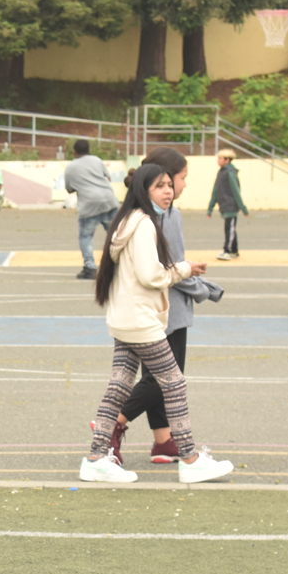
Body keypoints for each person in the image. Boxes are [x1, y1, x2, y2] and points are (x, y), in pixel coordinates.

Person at [79, 162, 232, 485]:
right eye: (160, 186)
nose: (169, 191)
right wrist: (184, 269)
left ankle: (96, 457)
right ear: (144, 191)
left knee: (119, 386)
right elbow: (152, 276)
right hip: (140, 321)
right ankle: (190, 459)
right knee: (174, 383)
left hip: (123, 318)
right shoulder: (145, 224)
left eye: (169, 185)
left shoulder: (125, 221)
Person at [117, 147, 196, 465]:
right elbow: (173, 267)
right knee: (166, 377)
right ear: (161, 180)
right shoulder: (165, 216)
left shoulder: (132, 213)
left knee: (155, 377)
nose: (183, 185)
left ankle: (163, 441)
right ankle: (113, 424)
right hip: (167, 307)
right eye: (181, 179)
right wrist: (200, 285)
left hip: (142, 308)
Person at [62, 138, 118, 279]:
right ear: (89, 150)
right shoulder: (96, 160)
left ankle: (90, 267)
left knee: (86, 236)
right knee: (115, 236)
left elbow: (69, 189)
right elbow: (108, 178)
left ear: (74, 152)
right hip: (108, 200)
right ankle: (120, 265)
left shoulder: (70, 168)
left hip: (89, 204)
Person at [208, 148, 247, 258]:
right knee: (230, 228)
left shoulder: (230, 173)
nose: (218, 160)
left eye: (220, 158)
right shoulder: (221, 172)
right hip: (224, 205)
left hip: (231, 206)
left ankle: (227, 251)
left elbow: (236, 191)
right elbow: (215, 190)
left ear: (227, 160)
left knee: (229, 229)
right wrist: (210, 207)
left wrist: (243, 208)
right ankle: (234, 250)